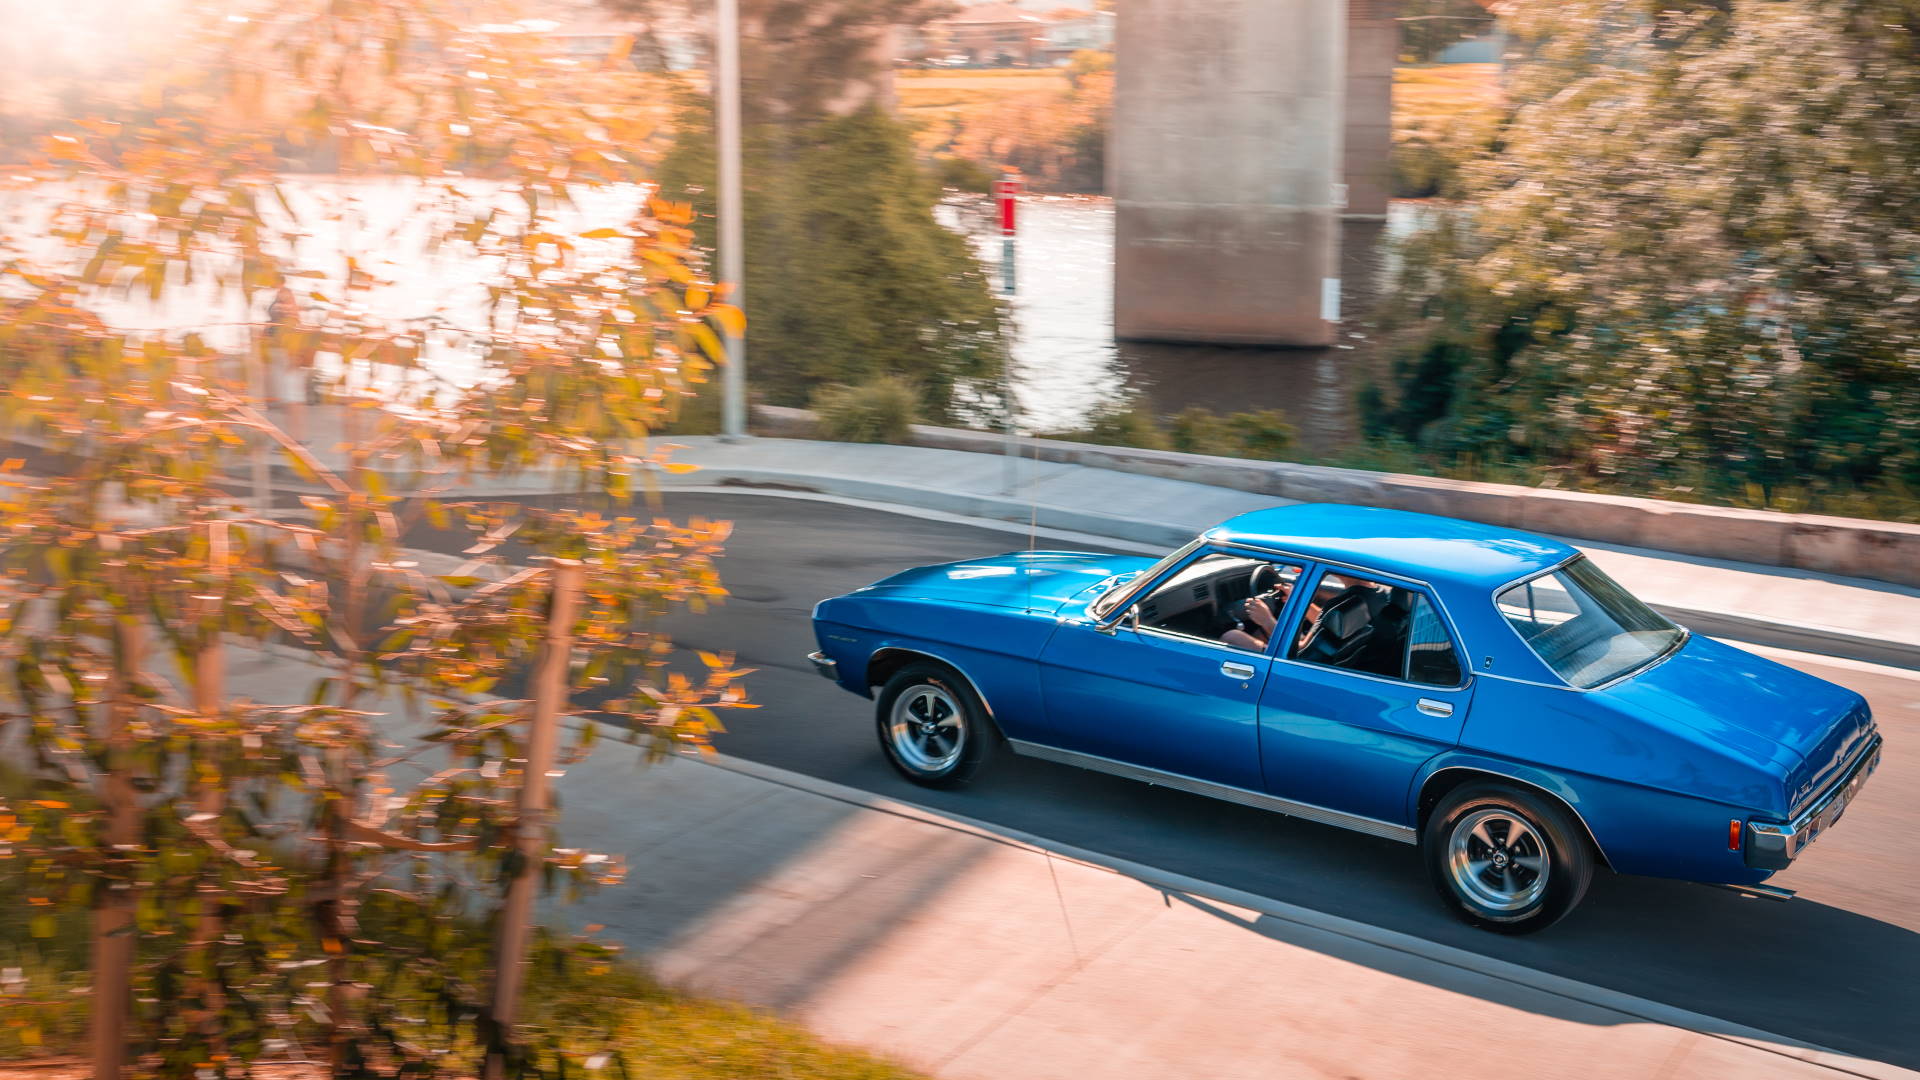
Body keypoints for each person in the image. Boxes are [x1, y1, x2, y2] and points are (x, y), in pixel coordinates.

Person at [1222, 573, 1323, 652]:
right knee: (1259, 633)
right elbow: (1323, 619)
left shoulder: (1338, 607)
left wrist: (1267, 620)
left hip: (1304, 663)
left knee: (1232, 636)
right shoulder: (1338, 605)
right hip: (1316, 648)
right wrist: (1298, 601)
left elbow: (1301, 651)